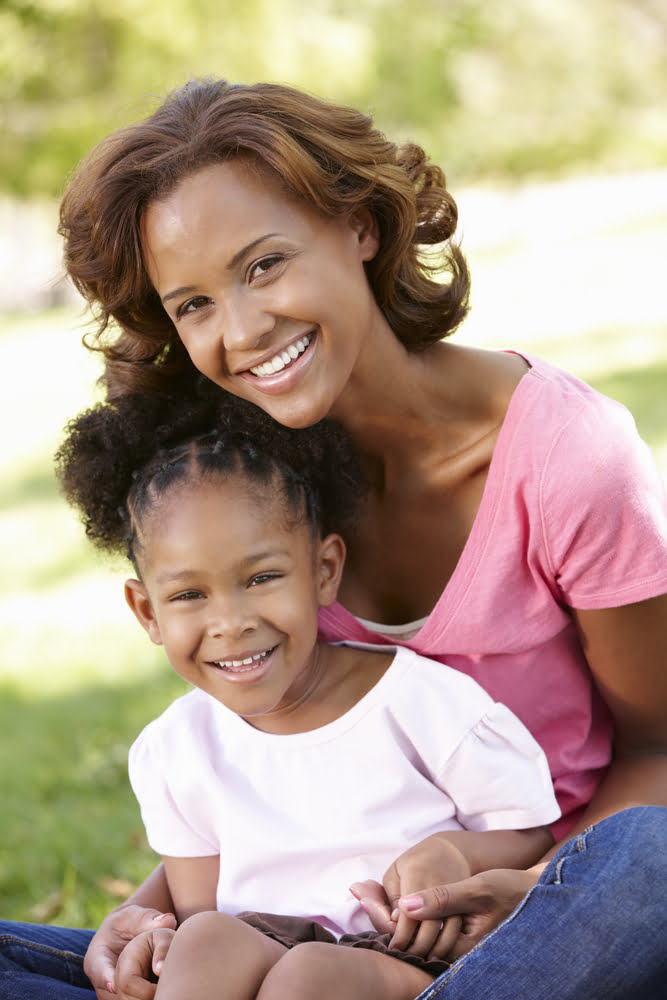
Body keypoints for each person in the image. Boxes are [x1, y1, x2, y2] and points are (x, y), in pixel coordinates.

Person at [0, 77, 665, 1000]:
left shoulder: (567, 458)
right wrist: (147, 915)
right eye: (192, 304)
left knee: (651, 857)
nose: (240, 330)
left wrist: (527, 891)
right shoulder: (246, 485)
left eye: (263, 264)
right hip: (301, 944)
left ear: (359, 227)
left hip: (542, 922)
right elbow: (269, 774)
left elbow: (658, 752)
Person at [58, 385, 557, 1000]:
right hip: (260, 945)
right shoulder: (174, 750)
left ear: (324, 570)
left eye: (262, 578)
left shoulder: (420, 701)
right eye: (189, 595)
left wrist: (454, 851)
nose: (231, 621)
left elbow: (532, 835)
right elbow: (195, 911)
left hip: (414, 956)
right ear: (147, 611)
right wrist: (165, 939)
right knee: (208, 938)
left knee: (311, 975)